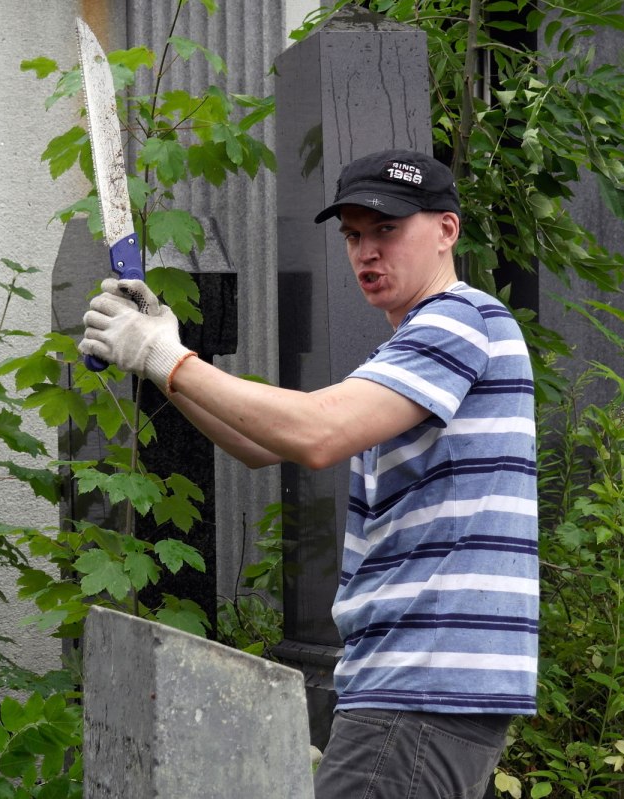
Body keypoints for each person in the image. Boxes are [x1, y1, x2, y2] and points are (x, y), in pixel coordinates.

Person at [80, 148, 538, 799]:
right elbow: (262, 445)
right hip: (421, 684)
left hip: (420, 683)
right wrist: (167, 360)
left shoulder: (457, 322)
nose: (366, 251)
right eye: (353, 234)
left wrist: (165, 357)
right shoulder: (419, 346)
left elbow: (317, 433)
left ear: (446, 229)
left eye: (387, 229)